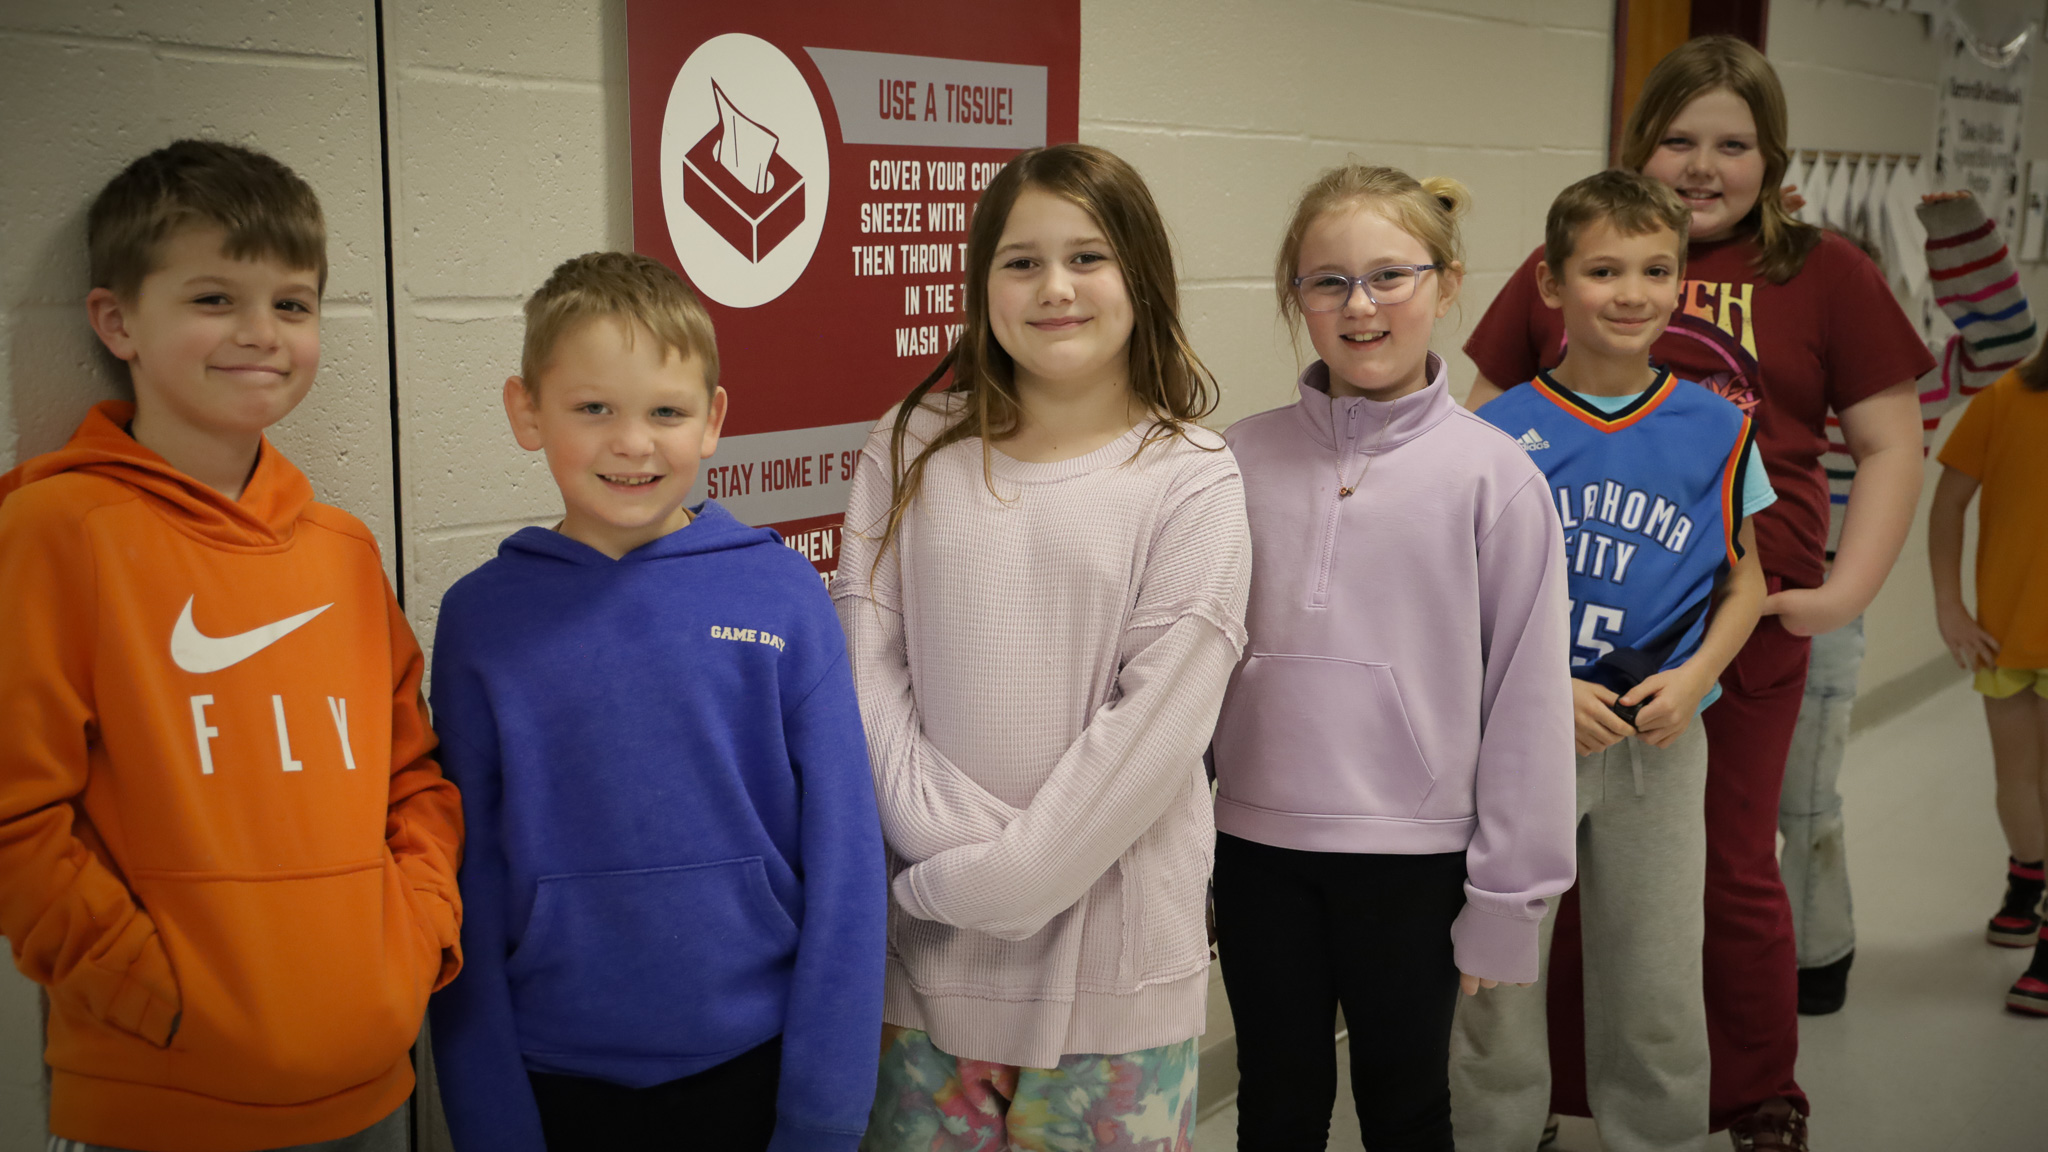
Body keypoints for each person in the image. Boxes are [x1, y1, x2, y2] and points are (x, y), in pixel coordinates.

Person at [1462, 37, 1933, 1151]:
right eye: (1678, 138)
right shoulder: (1574, 249)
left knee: (1719, 876)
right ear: (1640, 147)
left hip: (1734, 636)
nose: (1702, 164)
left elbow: (1889, 443)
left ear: (1771, 159)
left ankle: (1753, 1090)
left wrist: (1840, 592)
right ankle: (1544, 1099)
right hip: (1550, 663)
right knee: (1551, 887)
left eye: (1733, 143)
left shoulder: (1820, 272)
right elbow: (1467, 446)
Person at [0, 139, 463, 1152]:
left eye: (291, 305)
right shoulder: (57, 533)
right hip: (163, 1097)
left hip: (372, 1084)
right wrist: (153, 994)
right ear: (116, 321)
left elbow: (413, 778)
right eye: (214, 300)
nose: (261, 333)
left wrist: (413, 942)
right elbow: (16, 819)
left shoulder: (341, 549)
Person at [835, 143, 1248, 1151]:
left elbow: (1149, 735)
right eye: (1020, 262)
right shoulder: (906, 447)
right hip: (923, 971)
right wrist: (959, 872)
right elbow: (864, 674)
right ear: (980, 286)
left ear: (1140, 278)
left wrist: (992, 883)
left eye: (1086, 257)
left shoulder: (1190, 476)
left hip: (1111, 983)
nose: (1053, 288)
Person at [426, 252, 886, 1152]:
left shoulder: (783, 595)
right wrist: (487, 1114)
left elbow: (846, 861)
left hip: (754, 1068)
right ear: (527, 411)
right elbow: (463, 883)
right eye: (593, 408)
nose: (632, 443)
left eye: (665, 413)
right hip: (554, 1079)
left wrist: (826, 1111)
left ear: (712, 420)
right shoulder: (482, 618)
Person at [1209, 162, 1575, 1152]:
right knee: (1272, 1098)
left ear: (1446, 283)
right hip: (1254, 852)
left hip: (1413, 863)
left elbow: (1528, 707)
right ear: (1295, 298)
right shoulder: (1230, 463)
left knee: (1405, 1103)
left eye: (1388, 276)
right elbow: (1182, 671)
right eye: (1326, 281)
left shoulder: (1494, 480)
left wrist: (1508, 900)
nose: (1358, 305)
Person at [1452, 169, 1772, 1152]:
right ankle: (1494, 1134)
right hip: (1516, 740)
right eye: (1601, 269)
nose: (1629, 292)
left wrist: (1694, 677)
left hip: (1655, 737)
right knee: (1497, 972)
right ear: (1548, 285)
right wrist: (1543, 691)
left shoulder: (1716, 427)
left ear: (1680, 284)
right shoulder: (1492, 436)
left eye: (1653, 269)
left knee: (1654, 969)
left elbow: (1746, 583)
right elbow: (1451, 609)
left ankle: (1658, 1134)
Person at [1785, 189, 2034, 1016]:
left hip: (1828, 607)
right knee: (1723, 804)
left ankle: (1817, 960)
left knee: (1809, 797)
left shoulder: (1905, 373)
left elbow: (2006, 346)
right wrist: (1758, 239)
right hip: (1716, 602)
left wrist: (1960, 236)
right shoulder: (1753, 364)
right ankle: (1730, 958)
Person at [1929, 341, 2048, 1017]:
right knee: (2017, 780)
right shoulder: (2005, 399)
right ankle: (2026, 873)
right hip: (2007, 634)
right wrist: (1950, 606)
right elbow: (1947, 507)